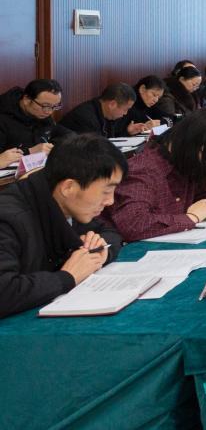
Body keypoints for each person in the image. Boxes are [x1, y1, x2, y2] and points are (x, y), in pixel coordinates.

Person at [0, 134, 126, 318]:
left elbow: (109, 232)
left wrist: (101, 250)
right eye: (106, 191)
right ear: (68, 187)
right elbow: (4, 292)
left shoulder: (65, 201)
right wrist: (68, 277)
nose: (110, 201)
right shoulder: (8, 218)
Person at [103, 108, 206, 242]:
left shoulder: (189, 162)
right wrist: (191, 218)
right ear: (194, 145)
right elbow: (133, 224)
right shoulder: (144, 170)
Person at [0, 79, 72, 156]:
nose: (49, 112)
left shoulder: (41, 114)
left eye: (55, 106)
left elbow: (67, 134)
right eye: (45, 106)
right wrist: (29, 151)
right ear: (26, 100)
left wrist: (53, 146)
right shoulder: (3, 118)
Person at [60, 82, 146, 138]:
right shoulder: (85, 118)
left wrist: (127, 132)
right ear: (112, 104)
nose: (125, 113)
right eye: (125, 109)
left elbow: (112, 140)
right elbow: (94, 150)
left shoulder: (107, 114)